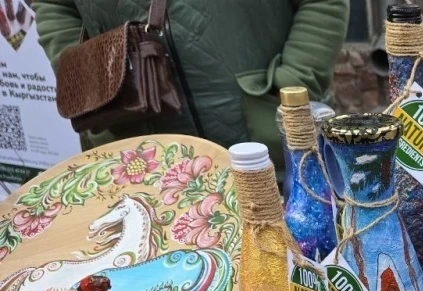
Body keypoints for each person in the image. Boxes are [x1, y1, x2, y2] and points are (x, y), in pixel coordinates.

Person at [34, 0, 349, 166]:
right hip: (136, 152)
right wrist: (91, 80)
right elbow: (54, 6)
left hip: (271, 144)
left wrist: (290, 85)